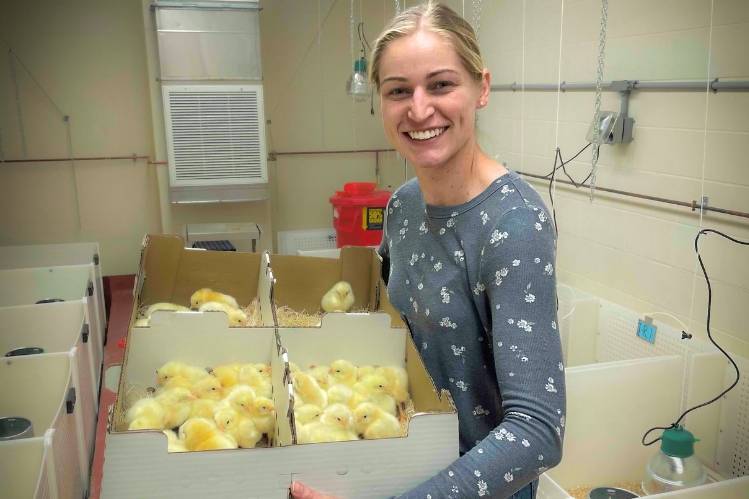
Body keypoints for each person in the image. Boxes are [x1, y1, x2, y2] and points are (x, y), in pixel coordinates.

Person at [291, 3, 565, 498]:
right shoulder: (403, 206)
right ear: (380, 102)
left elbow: (538, 433)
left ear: (481, 88)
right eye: (399, 91)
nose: (419, 110)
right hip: (396, 460)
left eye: (440, 85)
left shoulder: (514, 226)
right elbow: (390, 325)